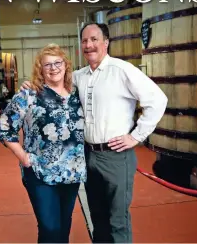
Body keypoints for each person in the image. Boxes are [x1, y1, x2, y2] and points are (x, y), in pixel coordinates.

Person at [21, 23, 168, 243]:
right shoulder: (79, 76)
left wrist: (136, 136)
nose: (89, 45)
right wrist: (32, 86)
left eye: (94, 39)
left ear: (106, 42)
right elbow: (54, 85)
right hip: (88, 155)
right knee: (97, 216)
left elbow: (158, 100)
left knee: (117, 219)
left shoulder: (121, 70)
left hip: (116, 155)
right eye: (85, 41)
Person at [0, 43, 86, 243]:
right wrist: (24, 157)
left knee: (63, 226)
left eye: (57, 63)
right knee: (50, 226)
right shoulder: (28, 94)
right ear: (40, 69)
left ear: (66, 65)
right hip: (39, 170)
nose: (53, 68)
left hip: (71, 171)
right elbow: (4, 128)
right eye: (47, 65)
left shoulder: (76, 95)